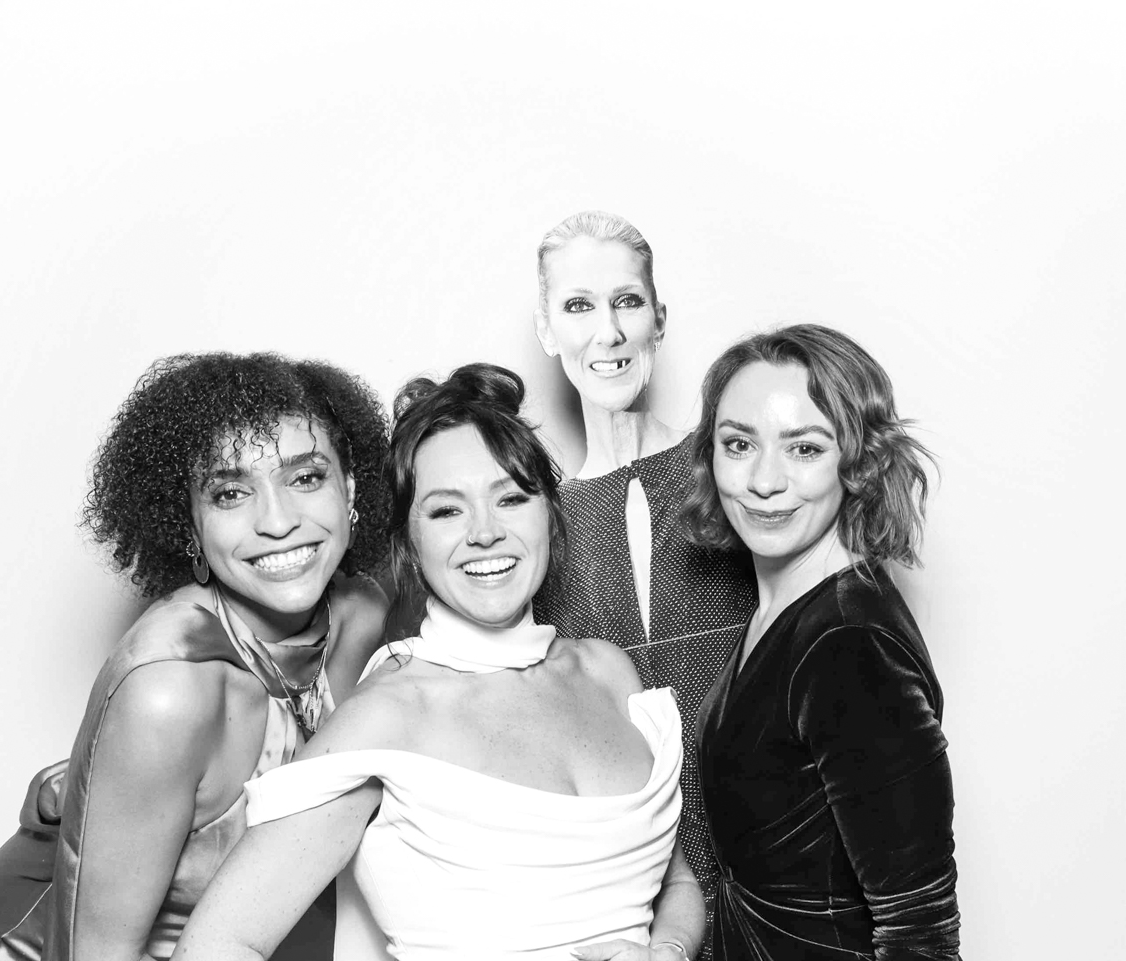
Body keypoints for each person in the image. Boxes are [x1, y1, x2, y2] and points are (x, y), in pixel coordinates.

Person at [172, 364, 705, 961]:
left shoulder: (611, 673)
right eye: (447, 511)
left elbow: (675, 880)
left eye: (510, 498)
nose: (485, 532)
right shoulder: (388, 718)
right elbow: (220, 943)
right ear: (409, 542)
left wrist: (670, 951)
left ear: (551, 516)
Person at [0, 353, 391, 961]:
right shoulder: (170, 687)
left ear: (350, 489)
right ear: (190, 525)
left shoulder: (366, 616)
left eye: (305, 478)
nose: (279, 521)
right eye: (231, 493)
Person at [682, 324, 961, 960]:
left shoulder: (847, 643)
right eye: (738, 444)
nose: (763, 481)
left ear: (857, 461)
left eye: (804, 449)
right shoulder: (781, 611)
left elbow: (920, 935)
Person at [531, 211, 756, 904]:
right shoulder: (533, 529)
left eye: (628, 301)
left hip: (779, 880)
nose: (609, 332)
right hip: (629, 900)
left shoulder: (740, 470)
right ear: (547, 331)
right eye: (578, 306)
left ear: (660, 317)